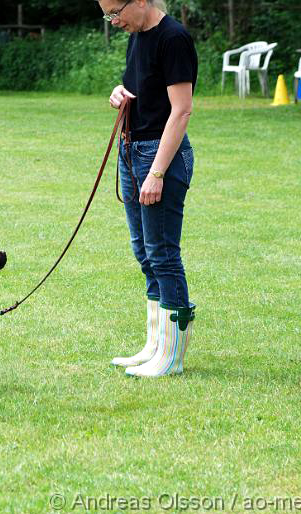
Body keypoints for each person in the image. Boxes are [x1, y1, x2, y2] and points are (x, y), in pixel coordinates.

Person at [99, 0, 197, 377]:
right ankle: (155, 346)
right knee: (144, 251)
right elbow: (141, 88)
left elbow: (181, 110)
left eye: (115, 11)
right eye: (107, 15)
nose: (113, 20)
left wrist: (156, 173)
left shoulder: (173, 38)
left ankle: (171, 357)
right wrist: (119, 93)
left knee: (163, 253)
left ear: (139, 0)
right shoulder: (137, 35)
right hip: (131, 149)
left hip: (160, 156)